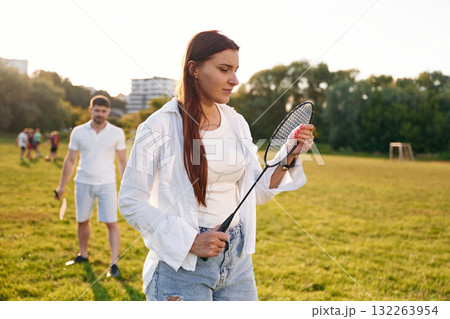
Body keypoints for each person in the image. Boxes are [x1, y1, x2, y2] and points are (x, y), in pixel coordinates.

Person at [118, 30, 315, 300]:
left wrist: (288, 157)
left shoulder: (236, 122)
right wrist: (190, 241)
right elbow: (131, 200)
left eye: (235, 70)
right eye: (224, 69)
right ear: (194, 70)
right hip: (181, 268)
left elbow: (256, 192)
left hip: (236, 262)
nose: (234, 80)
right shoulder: (158, 125)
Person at [55, 95, 127, 278]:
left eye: (103, 111)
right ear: (91, 110)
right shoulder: (78, 132)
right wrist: (61, 186)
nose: (100, 114)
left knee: (111, 223)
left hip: (107, 183)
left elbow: (122, 161)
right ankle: (83, 254)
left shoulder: (117, 133)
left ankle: (114, 264)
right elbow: (70, 159)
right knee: (82, 220)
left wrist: (127, 186)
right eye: (97, 110)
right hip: (83, 181)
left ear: (108, 112)